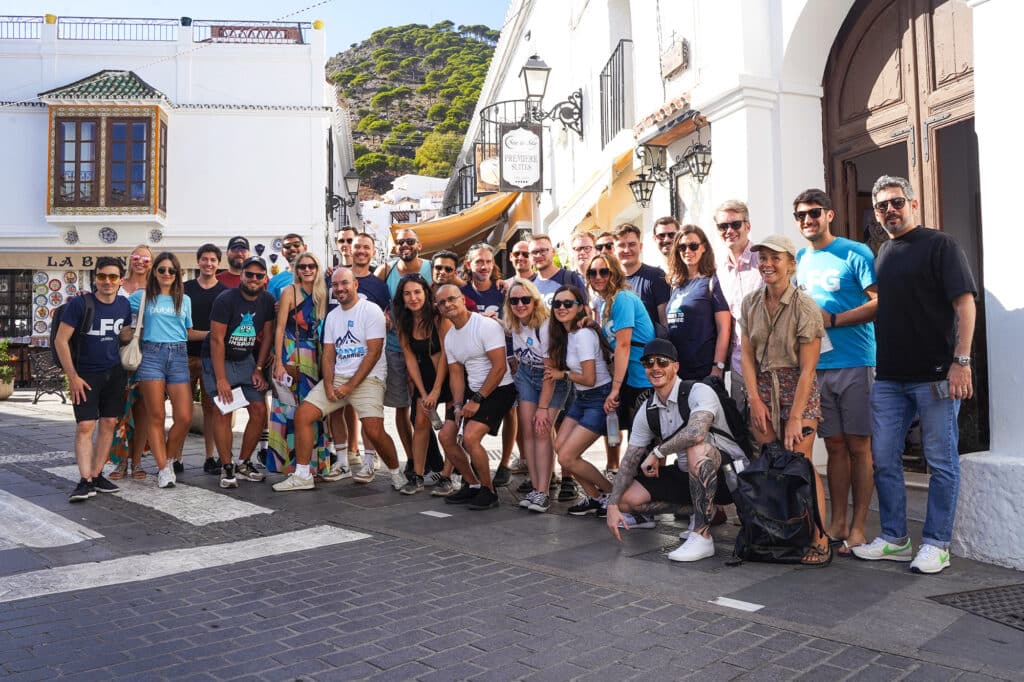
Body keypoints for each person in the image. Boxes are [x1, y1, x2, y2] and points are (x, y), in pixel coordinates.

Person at [851, 175, 976, 575]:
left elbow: (965, 305)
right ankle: (895, 539)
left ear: (913, 204)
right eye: (882, 206)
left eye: (896, 202)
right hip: (890, 377)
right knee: (884, 458)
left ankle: (937, 544)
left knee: (940, 462)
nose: (890, 210)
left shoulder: (941, 245)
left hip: (937, 374)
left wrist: (962, 360)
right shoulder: (883, 253)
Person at [605, 339, 749, 561]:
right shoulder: (648, 408)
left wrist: (657, 453)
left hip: (730, 477)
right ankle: (698, 512)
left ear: (675, 366)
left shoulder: (697, 391)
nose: (655, 368)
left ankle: (702, 536)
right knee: (627, 500)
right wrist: (613, 504)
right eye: (648, 363)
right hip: (688, 475)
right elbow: (630, 459)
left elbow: (696, 433)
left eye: (662, 362)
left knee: (696, 449)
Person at [794, 188, 878, 555]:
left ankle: (859, 527)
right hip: (817, 367)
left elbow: (879, 302)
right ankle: (839, 522)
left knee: (861, 446)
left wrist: (835, 319)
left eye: (814, 213)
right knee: (835, 446)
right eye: (800, 216)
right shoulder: (799, 258)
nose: (807, 220)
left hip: (856, 361)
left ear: (829, 214)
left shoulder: (855, 252)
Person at [740, 235, 830, 566]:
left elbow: (808, 369)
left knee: (800, 464)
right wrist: (754, 398)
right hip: (762, 385)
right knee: (769, 463)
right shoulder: (750, 303)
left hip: (797, 386)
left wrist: (795, 416)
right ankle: (776, 534)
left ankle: (820, 538)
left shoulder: (805, 306)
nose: (767, 263)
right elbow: (747, 357)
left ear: (791, 263)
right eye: (762, 257)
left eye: (775, 258)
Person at [273, 268, 405, 492]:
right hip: (338, 378)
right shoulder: (333, 316)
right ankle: (303, 475)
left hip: (368, 378)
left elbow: (373, 353)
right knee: (303, 414)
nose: (340, 288)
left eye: (344, 283)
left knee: (374, 430)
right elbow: (328, 354)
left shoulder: (370, 310)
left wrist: (350, 386)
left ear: (355, 285)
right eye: (335, 285)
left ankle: (395, 472)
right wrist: (328, 385)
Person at [55, 257, 131, 502]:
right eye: (101, 276)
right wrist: (72, 376)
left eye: (112, 277)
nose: (107, 281)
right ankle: (84, 479)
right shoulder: (80, 304)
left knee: (108, 422)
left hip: (115, 373)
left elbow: (122, 337)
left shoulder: (123, 305)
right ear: (95, 277)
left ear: (121, 280)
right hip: (85, 374)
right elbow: (60, 340)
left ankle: (97, 475)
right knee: (85, 426)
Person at [435, 284, 517, 510]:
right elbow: (456, 374)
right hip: (472, 390)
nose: (447, 305)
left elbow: (499, 367)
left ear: (462, 299)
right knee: (446, 436)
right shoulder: (450, 337)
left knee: (470, 438)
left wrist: (476, 400)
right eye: (442, 302)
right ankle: (471, 485)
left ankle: (489, 491)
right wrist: (459, 404)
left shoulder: (486, 326)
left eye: (451, 299)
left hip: (499, 388)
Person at [125, 252, 201, 489]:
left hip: (179, 355)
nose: (167, 274)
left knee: (184, 416)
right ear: (154, 272)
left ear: (178, 274)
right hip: (151, 355)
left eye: (172, 270)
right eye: (162, 270)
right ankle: (163, 468)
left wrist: (214, 334)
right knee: (155, 415)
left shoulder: (184, 300)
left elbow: (187, 332)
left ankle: (166, 459)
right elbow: (119, 312)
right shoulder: (141, 297)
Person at [203, 256, 274, 488]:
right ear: (241, 275)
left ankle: (243, 462)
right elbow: (216, 340)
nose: (253, 279)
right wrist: (221, 378)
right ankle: (227, 465)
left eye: (258, 275)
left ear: (264, 279)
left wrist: (259, 368)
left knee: (259, 409)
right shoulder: (226, 299)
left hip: (245, 359)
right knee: (223, 410)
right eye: (249, 274)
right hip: (218, 357)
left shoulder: (267, 300)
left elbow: (267, 337)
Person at [546, 285, 616, 515]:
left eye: (568, 303)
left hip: (598, 397)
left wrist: (562, 374)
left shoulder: (583, 335)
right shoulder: (568, 335)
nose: (562, 308)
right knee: (561, 450)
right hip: (582, 397)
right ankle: (595, 498)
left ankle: (612, 495)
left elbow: (589, 377)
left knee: (567, 456)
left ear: (580, 308)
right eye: (557, 304)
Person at [326, 232, 391, 479]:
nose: (361, 251)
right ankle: (342, 459)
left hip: (369, 362)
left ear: (373, 252)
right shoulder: (334, 277)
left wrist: (387, 321)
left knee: (368, 412)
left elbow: (388, 315)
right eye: (357, 247)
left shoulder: (378, 284)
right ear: (349, 250)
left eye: (366, 247)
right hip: (340, 356)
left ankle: (369, 460)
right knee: (335, 409)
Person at [505, 278, 569, 512]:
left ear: (534, 300)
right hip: (526, 375)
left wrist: (543, 408)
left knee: (542, 430)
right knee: (529, 431)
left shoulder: (545, 326)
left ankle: (543, 491)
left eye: (525, 299)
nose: (520, 304)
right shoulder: (514, 323)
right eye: (514, 300)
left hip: (549, 378)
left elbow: (551, 371)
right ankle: (535, 486)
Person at [374, 228, 433, 481]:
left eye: (410, 241)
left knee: (425, 407)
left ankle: (431, 459)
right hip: (396, 348)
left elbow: (459, 287)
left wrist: (502, 282)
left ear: (419, 244)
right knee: (401, 406)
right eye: (400, 242)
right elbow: (367, 293)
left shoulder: (432, 267)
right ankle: (412, 459)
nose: (405, 245)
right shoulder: (385, 270)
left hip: (428, 348)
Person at [587, 252, 655, 451]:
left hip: (643, 379)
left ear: (614, 273)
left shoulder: (623, 299)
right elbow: (614, 343)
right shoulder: (606, 302)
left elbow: (624, 345)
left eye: (603, 272)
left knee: (642, 444)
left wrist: (615, 389)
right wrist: (596, 327)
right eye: (592, 273)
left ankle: (644, 482)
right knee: (635, 441)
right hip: (631, 379)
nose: (598, 277)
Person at [269, 252, 329, 475]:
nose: (307, 270)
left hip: (315, 356)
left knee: (313, 408)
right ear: (297, 269)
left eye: (311, 266)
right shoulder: (289, 291)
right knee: (288, 408)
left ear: (317, 267)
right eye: (302, 266)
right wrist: (278, 361)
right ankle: (287, 463)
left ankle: (313, 464)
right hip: (292, 353)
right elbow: (279, 327)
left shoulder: (322, 292)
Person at [461, 242, 516, 487]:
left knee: (510, 411)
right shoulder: (463, 293)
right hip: (473, 363)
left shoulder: (503, 291)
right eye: (479, 262)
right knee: (471, 415)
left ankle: (504, 463)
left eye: (488, 261)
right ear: (469, 265)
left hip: (504, 358)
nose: (484, 266)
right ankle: (475, 463)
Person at [394, 274, 452, 494]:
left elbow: (447, 354)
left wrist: (436, 390)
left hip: (450, 374)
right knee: (420, 422)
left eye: (417, 292)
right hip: (425, 377)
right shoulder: (404, 321)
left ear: (426, 293)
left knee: (450, 429)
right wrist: (422, 391)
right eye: (407, 293)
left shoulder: (439, 317)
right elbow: (410, 359)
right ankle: (417, 476)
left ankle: (448, 476)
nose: (413, 298)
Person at [714, 200, 764, 414]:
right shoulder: (720, 269)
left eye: (735, 224)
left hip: (767, 364)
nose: (729, 231)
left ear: (748, 226)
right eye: (723, 226)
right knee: (743, 433)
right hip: (738, 365)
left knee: (771, 434)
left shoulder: (764, 259)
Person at [108, 244, 153, 481]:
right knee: (117, 409)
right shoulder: (118, 284)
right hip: (117, 352)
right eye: (136, 257)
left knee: (142, 408)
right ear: (130, 259)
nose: (141, 262)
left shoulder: (156, 289)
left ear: (152, 264)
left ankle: (136, 462)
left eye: (146, 259)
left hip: (147, 352)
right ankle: (119, 462)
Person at [665, 225, 731, 380]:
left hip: (704, 371)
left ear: (704, 248)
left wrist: (718, 367)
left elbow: (724, 328)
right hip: (678, 372)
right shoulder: (676, 285)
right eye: (682, 247)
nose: (687, 251)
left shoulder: (712, 282)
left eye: (693, 246)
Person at [183, 244, 227, 474]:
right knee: (183, 409)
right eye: (205, 259)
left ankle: (210, 456)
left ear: (218, 263)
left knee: (211, 409)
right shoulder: (185, 288)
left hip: (211, 359)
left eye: (213, 260)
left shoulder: (225, 291)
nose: (209, 263)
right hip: (186, 355)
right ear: (198, 261)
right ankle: (177, 456)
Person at [612, 222, 670, 329]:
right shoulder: (610, 281)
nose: (626, 250)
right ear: (614, 250)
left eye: (632, 244)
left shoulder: (656, 276)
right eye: (621, 245)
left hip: (648, 344)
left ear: (640, 246)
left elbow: (665, 323)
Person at [529, 234, 587, 307]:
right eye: (534, 252)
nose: (538, 255)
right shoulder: (529, 285)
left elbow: (583, 309)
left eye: (543, 250)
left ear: (553, 252)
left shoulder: (571, 278)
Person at [267, 233, 307, 300]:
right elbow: (269, 308)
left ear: (305, 248)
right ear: (282, 252)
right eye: (287, 246)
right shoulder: (274, 281)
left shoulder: (319, 276)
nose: (292, 248)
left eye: (296, 245)